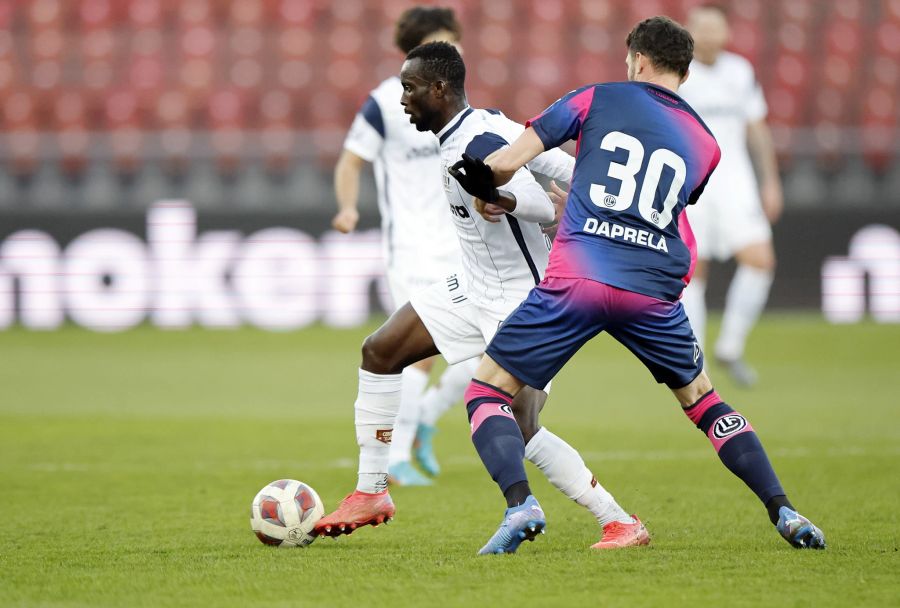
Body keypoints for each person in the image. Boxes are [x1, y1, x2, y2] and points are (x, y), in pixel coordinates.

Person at [451, 16, 825, 554]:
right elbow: (667, 210)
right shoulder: (707, 144)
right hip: (649, 291)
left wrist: (482, 179)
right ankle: (784, 510)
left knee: (487, 392)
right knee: (704, 401)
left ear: (637, 60)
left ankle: (520, 504)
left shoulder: (596, 98)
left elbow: (506, 163)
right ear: (686, 71)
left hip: (579, 276)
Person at [315, 41, 649, 550]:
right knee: (380, 352)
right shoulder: (470, 128)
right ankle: (371, 491)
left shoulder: (479, 139)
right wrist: (577, 184)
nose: (402, 99)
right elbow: (557, 166)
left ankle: (617, 520)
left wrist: (503, 196)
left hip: (523, 299)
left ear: (439, 88)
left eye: (409, 88)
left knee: (523, 425)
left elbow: (540, 204)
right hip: (473, 285)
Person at [332, 6, 478, 485]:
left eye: (454, 41)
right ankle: (393, 457)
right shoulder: (385, 103)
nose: (452, 50)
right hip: (412, 246)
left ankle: (427, 421)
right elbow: (350, 162)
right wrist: (349, 208)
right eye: (441, 41)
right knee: (419, 351)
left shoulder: (458, 103)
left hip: (463, 241)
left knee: (490, 348)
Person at [677, 3, 783, 387]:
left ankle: (731, 346)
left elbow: (757, 128)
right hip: (692, 185)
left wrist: (769, 180)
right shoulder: (678, 73)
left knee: (760, 259)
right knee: (694, 270)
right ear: (689, 32)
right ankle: (695, 360)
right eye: (701, 29)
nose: (709, 36)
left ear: (726, 33)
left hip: (736, 183)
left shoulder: (740, 71)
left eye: (715, 28)